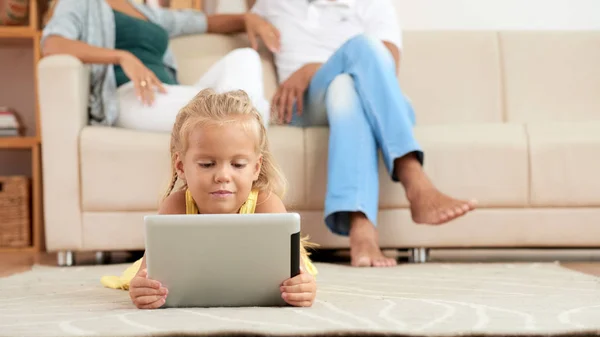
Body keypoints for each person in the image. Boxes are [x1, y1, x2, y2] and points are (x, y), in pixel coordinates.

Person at [246, 0, 477, 267]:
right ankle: (412, 175)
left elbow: (385, 65)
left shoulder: (372, 4)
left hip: (366, 97)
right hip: (306, 106)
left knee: (348, 79)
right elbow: (213, 19)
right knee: (359, 51)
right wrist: (247, 20)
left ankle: (362, 228)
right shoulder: (274, 3)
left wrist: (311, 70)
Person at [100, 89, 318, 309]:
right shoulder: (175, 207)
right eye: (207, 164)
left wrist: (303, 288)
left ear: (256, 168)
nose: (223, 176)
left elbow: (299, 277)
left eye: (238, 165)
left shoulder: (267, 205)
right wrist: (143, 289)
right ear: (181, 166)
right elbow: (145, 276)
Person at [41, 0, 278, 131]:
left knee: (245, 57)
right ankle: (253, 126)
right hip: (133, 97)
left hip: (170, 92)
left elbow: (202, 22)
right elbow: (52, 43)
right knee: (226, 112)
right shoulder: (81, 3)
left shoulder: (147, 13)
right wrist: (121, 57)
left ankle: (247, 127)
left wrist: (246, 19)